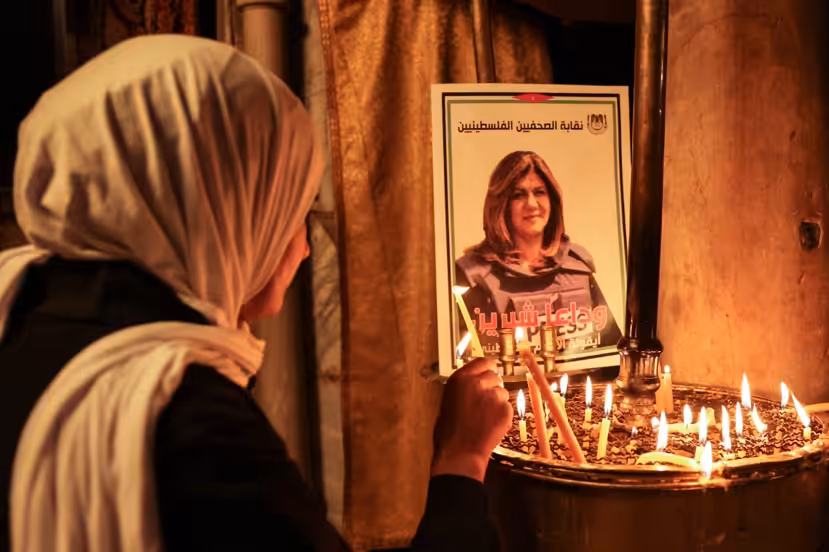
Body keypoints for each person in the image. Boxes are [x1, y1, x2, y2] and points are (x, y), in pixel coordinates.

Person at [0, 36, 511, 552]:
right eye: (290, 208)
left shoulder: (25, 308)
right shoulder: (189, 429)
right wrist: (461, 461)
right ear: (221, 210)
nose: (304, 247)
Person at [455, 151, 622, 357]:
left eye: (539, 192)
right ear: (501, 206)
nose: (532, 204)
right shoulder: (472, 276)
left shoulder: (578, 265)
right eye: (519, 195)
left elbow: (610, 354)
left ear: (552, 199)